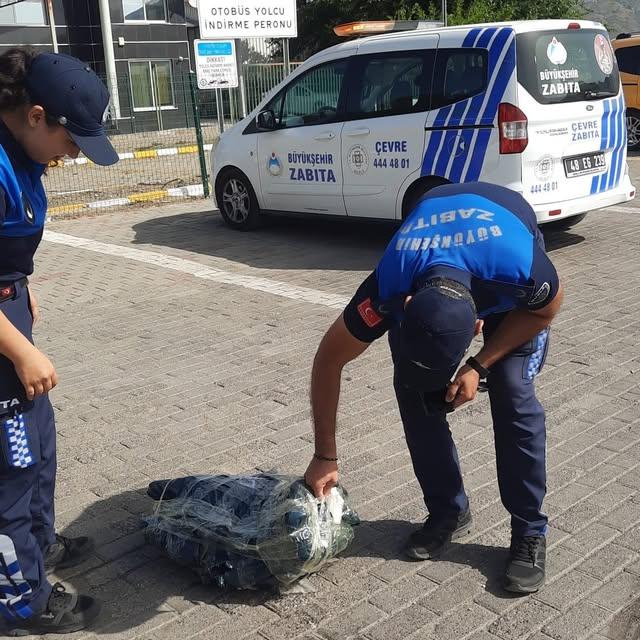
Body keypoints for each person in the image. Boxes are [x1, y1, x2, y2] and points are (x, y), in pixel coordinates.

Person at [304, 182, 564, 594]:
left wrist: (478, 365)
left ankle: (529, 530)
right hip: (431, 260)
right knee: (414, 393)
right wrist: (324, 455)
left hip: (502, 262)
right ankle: (447, 511)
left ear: (478, 324)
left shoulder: (520, 271)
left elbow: (546, 310)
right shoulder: (390, 284)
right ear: (405, 307)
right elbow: (329, 359)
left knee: (513, 393)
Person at [0, 47, 118, 634]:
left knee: (40, 449)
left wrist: (19, 288)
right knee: (11, 472)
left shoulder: (22, 154)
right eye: (72, 142)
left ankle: (40, 547)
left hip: (7, 312)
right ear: (38, 115)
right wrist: (18, 347)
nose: (73, 156)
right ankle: (20, 601)